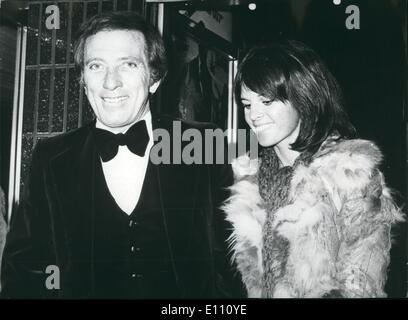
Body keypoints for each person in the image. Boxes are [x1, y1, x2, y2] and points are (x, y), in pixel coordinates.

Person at [1, 11, 244, 299]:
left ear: (154, 78)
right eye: (96, 66)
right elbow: (24, 270)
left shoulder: (202, 141)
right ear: (82, 79)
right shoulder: (52, 157)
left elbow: (232, 262)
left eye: (128, 64)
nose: (110, 82)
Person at [222, 41, 404, 298]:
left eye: (266, 101)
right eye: (247, 104)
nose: (254, 115)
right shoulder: (249, 179)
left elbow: (363, 283)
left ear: (302, 97)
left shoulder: (349, 174)